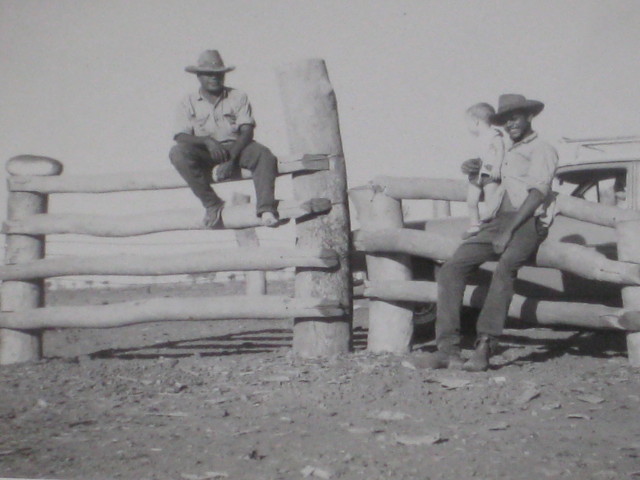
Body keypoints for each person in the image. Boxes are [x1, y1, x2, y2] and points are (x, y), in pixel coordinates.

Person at [428, 94, 559, 372]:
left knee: (505, 268)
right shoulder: (505, 149)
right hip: (498, 218)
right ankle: (447, 349)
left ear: (529, 116)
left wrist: (508, 231)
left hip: (528, 221)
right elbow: (491, 176)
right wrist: (473, 170)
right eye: (505, 119)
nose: (510, 123)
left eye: (515, 116)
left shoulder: (542, 149)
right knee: (452, 268)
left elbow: (537, 193)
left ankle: (485, 345)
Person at [169, 50, 279, 228]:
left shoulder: (238, 96)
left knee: (264, 155)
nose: (214, 78)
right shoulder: (187, 101)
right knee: (177, 153)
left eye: (219, 74)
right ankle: (212, 204)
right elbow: (180, 136)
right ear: (198, 76)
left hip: (238, 147)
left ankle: (266, 208)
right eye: (208, 74)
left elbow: (247, 130)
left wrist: (231, 159)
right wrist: (206, 141)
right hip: (206, 151)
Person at [463, 103, 505, 239]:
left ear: (476, 121)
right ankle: (474, 224)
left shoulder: (494, 135)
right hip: (476, 173)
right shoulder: (477, 139)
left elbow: (500, 151)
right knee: (471, 200)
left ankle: (491, 225)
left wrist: (497, 167)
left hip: (489, 172)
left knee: (490, 200)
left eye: (468, 123)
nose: (468, 127)